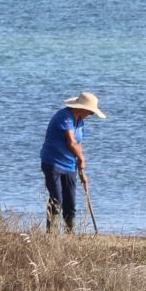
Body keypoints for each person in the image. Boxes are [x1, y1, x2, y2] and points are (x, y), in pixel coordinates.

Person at [40, 92, 104, 232]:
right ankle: (51, 235)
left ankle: (70, 234)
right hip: (53, 162)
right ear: (82, 108)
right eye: (91, 112)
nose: (90, 114)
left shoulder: (80, 121)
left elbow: (78, 144)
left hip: (69, 165)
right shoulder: (64, 116)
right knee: (57, 199)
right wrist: (81, 159)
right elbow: (71, 142)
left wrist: (82, 171)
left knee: (70, 202)